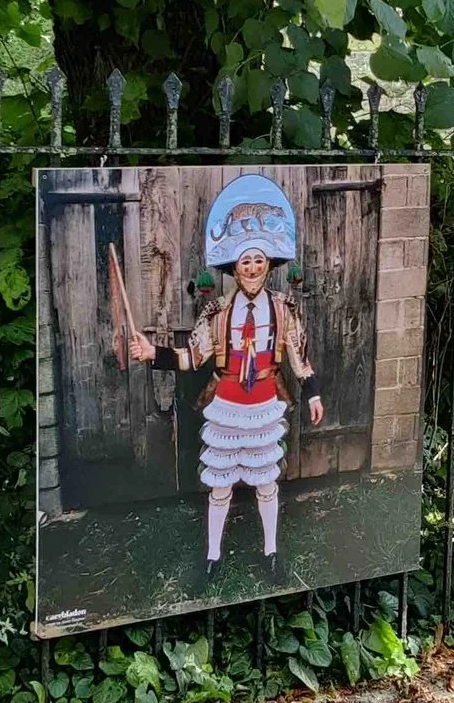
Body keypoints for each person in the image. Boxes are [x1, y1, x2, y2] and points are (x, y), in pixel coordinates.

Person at [129, 176, 323, 567]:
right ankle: (213, 555)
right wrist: (153, 353)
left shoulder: (285, 309)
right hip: (226, 405)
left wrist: (314, 392)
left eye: (258, 260)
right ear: (235, 268)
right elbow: (191, 358)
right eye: (245, 261)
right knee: (221, 487)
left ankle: (271, 552)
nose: (251, 268)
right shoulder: (216, 313)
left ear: (269, 266)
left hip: (265, 404)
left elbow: (300, 358)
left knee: (266, 483)